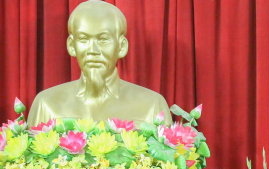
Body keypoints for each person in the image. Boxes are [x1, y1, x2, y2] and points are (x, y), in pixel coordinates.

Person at [27, 0, 171, 126]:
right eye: (83, 39)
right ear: (71, 46)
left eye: (103, 39)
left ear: (121, 46)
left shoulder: (152, 107)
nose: (93, 50)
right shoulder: (46, 105)